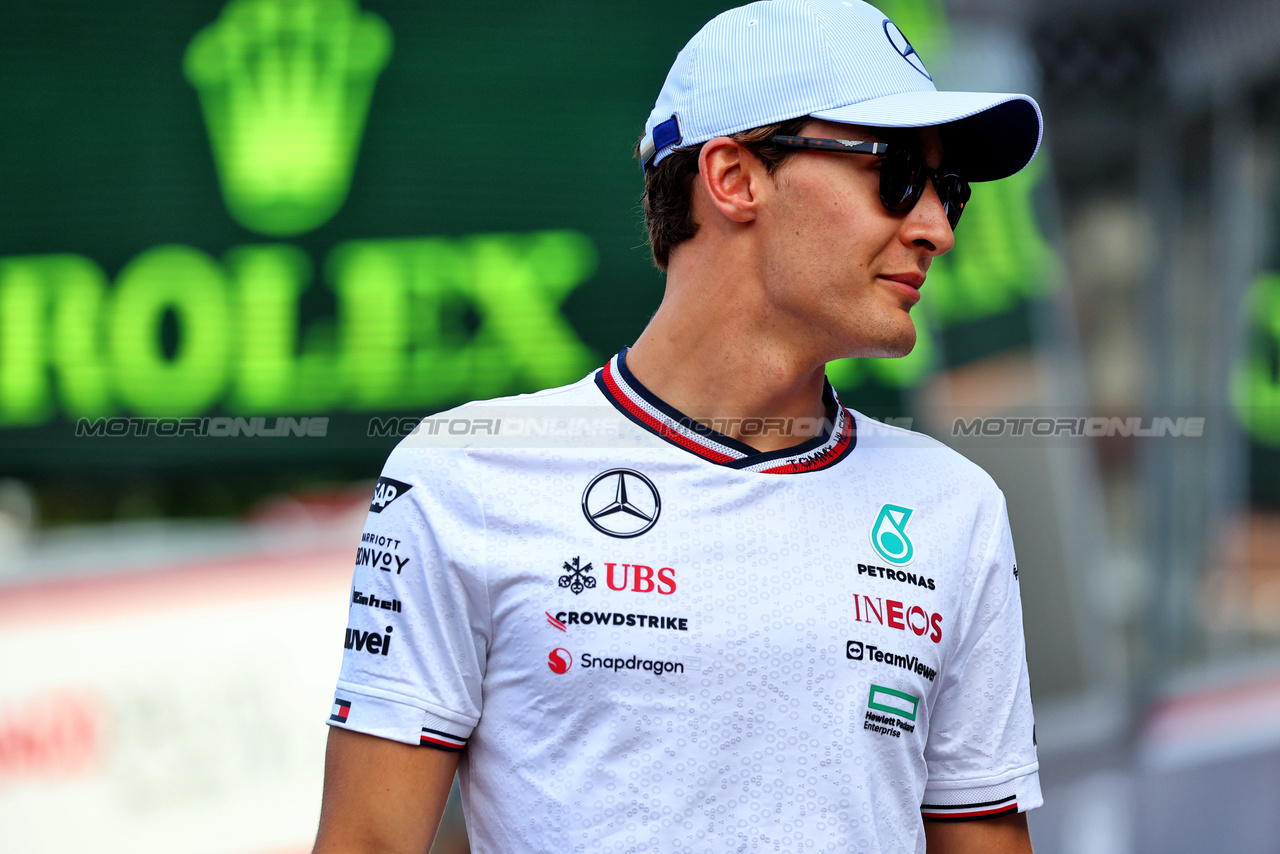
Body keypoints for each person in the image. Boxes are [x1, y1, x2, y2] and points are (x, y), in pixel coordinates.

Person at [312, 0, 1044, 851]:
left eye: (947, 191)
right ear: (734, 178)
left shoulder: (954, 506)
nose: (937, 228)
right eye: (898, 175)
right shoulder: (463, 475)